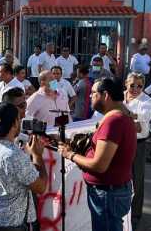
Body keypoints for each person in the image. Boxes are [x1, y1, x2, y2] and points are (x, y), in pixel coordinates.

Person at [57, 78, 136, 231]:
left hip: (108, 193)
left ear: (105, 95)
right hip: (111, 191)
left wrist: (70, 154)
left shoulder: (114, 121)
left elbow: (99, 165)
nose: (89, 96)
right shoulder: (119, 116)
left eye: (93, 93)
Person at [0, 102, 47, 230]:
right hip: (12, 225)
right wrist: (37, 155)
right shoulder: (14, 156)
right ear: (15, 123)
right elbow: (41, 187)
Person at [123, 73, 151, 228]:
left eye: (140, 86)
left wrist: (122, 114)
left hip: (138, 144)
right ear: (126, 84)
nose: (135, 89)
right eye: (132, 85)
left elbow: (144, 117)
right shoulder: (119, 97)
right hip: (118, 143)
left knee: (136, 179)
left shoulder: (147, 101)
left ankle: (135, 215)